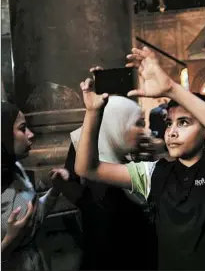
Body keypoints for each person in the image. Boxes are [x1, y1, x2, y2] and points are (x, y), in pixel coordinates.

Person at [74, 47, 205, 270]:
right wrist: (92, 113)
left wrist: (171, 88)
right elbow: (86, 168)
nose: (172, 132)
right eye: (169, 123)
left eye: (184, 123)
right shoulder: (154, 173)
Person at [50, 95, 154, 270]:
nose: (145, 131)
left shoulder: (126, 158)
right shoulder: (104, 187)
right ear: (116, 126)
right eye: (138, 124)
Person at [1, 102, 65, 271]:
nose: (31, 135)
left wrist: (55, 190)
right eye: (22, 129)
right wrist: (9, 241)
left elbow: (32, 216)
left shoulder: (16, 171)